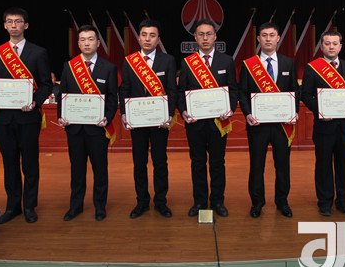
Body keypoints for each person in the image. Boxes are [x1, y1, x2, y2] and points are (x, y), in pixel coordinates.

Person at [0, 7, 51, 224]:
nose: (14, 25)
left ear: (26, 25)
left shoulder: (38, 52)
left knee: (30, 164)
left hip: (28, 118)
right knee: (9, 163)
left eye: (18, 21)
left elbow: (46, 84)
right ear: (4, 25)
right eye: (10, 21)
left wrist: (35, 102)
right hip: (3, 119)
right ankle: (12, 206)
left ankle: (29, 206)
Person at [57, 25, 118, 222]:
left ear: (98, 43)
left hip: (98, 129)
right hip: (74, 129)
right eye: (82, 39)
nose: (86, 43)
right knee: (77, 170)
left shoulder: (108, 68)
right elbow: (62, 95)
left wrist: (107, 117)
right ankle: (76, 206)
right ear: (78, 43)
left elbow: (112, 98)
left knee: (100, 170)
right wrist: (61, 115)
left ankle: (100, 206)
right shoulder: (69, 66)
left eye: (90, 39)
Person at [178, 18, 238, 218]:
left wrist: (230, 108)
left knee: (217, 163)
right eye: (201, 34)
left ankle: (218, 201)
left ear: (215, 36)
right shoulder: (187, 63)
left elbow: (233, 90)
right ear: (195, 37)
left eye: (209, 34)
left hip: (219, 122)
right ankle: (200, 202)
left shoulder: (226, 61)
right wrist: (183, 111)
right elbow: (181, 92)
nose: (205, 38)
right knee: (197, 163)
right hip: (194, 123)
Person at [239, 22, 299, 218]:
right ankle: (257, 203)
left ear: (278, 38)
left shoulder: (288, 63)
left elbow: (294, 90)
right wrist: (247, 113)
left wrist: (294, 111)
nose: (267, 39)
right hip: (257, 124)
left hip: (282, 124)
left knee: (282, 165)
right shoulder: (249, 64)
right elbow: (243, 92)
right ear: (258, 39)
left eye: (271, 35)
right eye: (264, 35)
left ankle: (282, 202)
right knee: (257, 165)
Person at [120, 19, 177, 219]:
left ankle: (161, 201)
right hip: (137, 121)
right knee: (139, 163)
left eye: (152, 35)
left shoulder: (168, 60)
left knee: (160, 162)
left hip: (159, 121)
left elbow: (172, 90)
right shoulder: (130, 61)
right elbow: (124, 89)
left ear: (158, 39)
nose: (147, 39)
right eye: (144, 35)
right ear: (138, 37)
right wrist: (124, 113)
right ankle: (142, 201)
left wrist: (169, 114)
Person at [301, 31, 345, 217]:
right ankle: (324, 203)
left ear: (340, 46)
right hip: (324, 127)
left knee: (344, 166)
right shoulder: (312, 68)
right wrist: (321, 110)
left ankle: (343, 202)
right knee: (324, 166)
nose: (331, 47)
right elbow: (305, 95)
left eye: (335, 43)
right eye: (327, 43)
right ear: (321, 46)